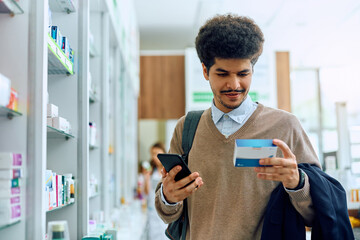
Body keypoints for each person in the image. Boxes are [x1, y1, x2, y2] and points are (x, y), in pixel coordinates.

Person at [155, 14, 353, 239]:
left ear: (252, 70)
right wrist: (168, 196)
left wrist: (297, 183)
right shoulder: (187, 128)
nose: (234, 84)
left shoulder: (285, 126)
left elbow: (316, 215)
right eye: (222, 74)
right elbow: (168, 213)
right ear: (204, 71)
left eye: (243, 74)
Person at [143, 142, 169, 240]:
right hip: (152, 210)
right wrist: (146, 177)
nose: (154, 157)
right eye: (152, 154)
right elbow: (146, 193)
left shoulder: (169, 170)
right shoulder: (150, 171)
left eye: (157, 153)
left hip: (165, 210)